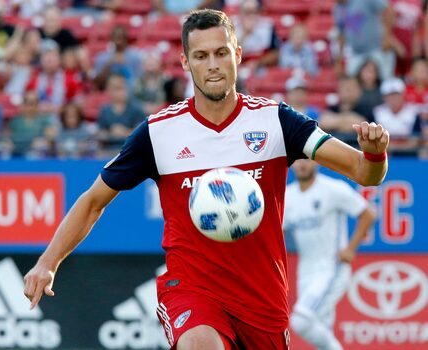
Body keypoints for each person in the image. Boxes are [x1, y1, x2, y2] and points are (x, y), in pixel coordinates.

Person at [23, 9, 389, 350]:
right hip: (192, 291)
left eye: (221, 53)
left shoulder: (275, 121)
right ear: (185, 62)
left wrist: (374, 153)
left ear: (238, 55)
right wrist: (48, 263)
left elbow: (364, 173)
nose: (212, 65)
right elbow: (92, 201)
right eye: (201, 56)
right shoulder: (159, 132)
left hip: (263, 300)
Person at [284, 159, 376, 350]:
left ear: (316, 162)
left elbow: (368, 213)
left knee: (301, 320)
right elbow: (278, 232)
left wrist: (350, 248)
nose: (302, 164)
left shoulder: (333, 189)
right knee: (321, 328)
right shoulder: (288, 196)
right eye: (298, 160)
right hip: (306, 269)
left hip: (331, 267)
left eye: (306, 159)